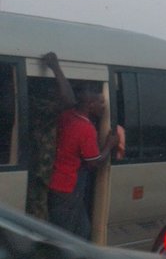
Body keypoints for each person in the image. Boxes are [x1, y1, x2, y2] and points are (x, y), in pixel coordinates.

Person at [42, 52, 124, 239]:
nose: (104, 107)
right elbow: (94, 162)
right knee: (66, 236)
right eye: (101, 103)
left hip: (57, 183)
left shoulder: (68, 116)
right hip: (68, 187)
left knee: (82, 230)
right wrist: (110, 145)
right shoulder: (85, 128)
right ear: (90, 104)